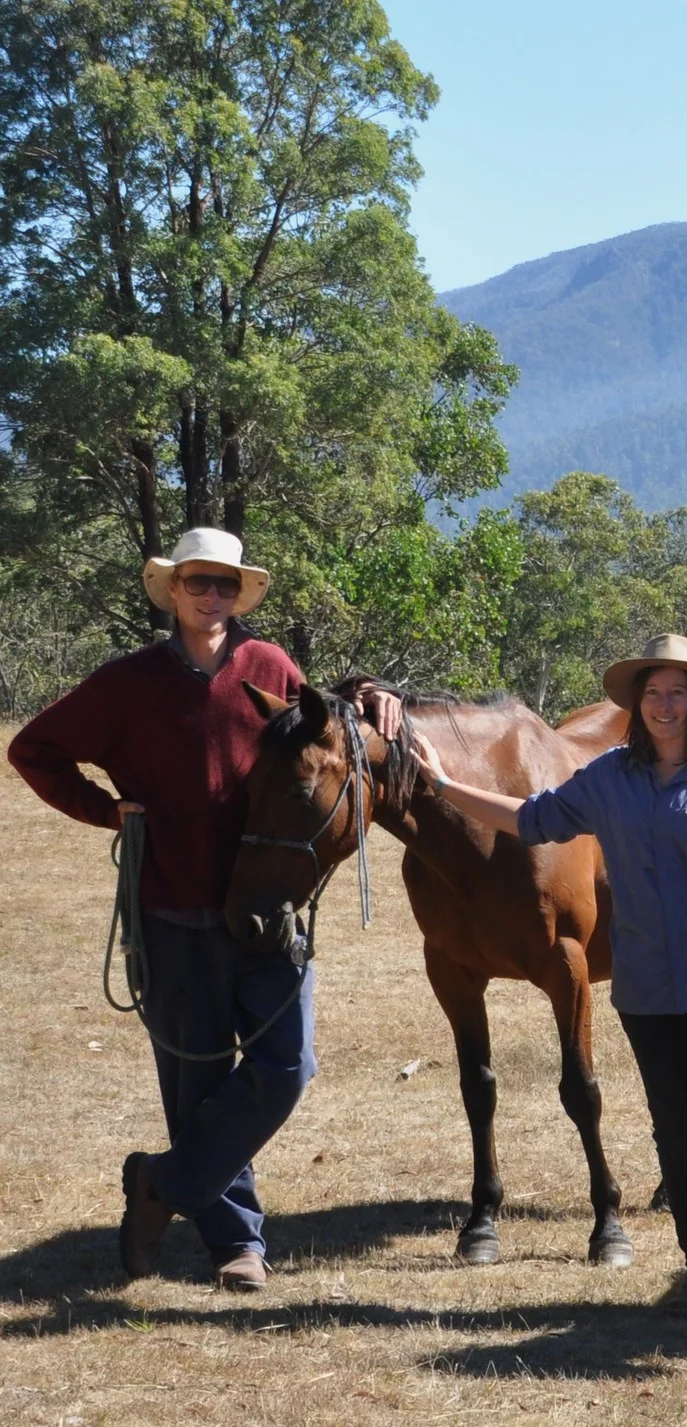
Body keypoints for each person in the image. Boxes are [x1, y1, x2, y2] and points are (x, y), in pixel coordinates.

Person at [9, 527, 403, 1292]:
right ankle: (236, 1244)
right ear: (174, 590)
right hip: (176, 909)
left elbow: (326, 727)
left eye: (224, 584)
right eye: (198, 582)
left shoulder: (269, 667)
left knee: (289, 1063)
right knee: (197, 1086)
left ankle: (161, 1182)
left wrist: (371, 694)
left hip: (267, 908)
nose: (211, 596)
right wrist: (108, 810)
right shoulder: (127, 683)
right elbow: (34, 749)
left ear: (238, 593)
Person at [411, 634, 687, 1316]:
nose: (665, 705)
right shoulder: (608, 778)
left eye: (678, 692)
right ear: (637, 701)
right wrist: (442, 786)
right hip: (648, 992)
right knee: (676, 1134)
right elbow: (529, 819)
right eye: (653, 692)